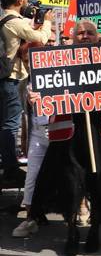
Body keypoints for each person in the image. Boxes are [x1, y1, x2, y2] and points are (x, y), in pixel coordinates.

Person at [29, 20, 101, 256]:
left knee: (98, 183)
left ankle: (96, 229)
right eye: (80, 33)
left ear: (97, 37)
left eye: (90, 33)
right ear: (72, 37)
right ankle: (71, 230)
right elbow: (44, 89)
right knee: (70, 184)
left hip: (97, 133)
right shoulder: (57, 60)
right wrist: (36, 96)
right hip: (69, 134)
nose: (85, 36)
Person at [0, 0, 53, 186]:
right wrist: (46, 22)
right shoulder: (15, 21)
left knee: (6, 122)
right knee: (11, 124)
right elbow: (41, 38)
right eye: (27, 0)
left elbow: (19, 44)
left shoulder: (4, 18)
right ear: (21, 0)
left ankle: (9, 165)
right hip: (11, 79)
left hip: (5, 78)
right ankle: (11, 169)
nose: (28, 4)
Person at [12, 32, 55, 237]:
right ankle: (30, 219)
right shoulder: (24, 85)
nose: (31, 64)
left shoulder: (58, 77)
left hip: (59, 133)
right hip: (38, 135)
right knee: (32, 177)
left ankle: (80, 210)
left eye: (34, 59)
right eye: (27, 61)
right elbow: (24, 117)